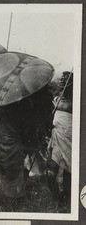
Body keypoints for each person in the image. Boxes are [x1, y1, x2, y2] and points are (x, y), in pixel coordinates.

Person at [47, 71, 73, 202]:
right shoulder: (56, 99)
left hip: (70, 140)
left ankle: (67, 198)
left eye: (66, 80)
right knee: (50, 174)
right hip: (56, 138)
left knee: (69, 171)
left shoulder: (76, 101)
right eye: (61, 79)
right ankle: (58, 197)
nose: (62, 81)